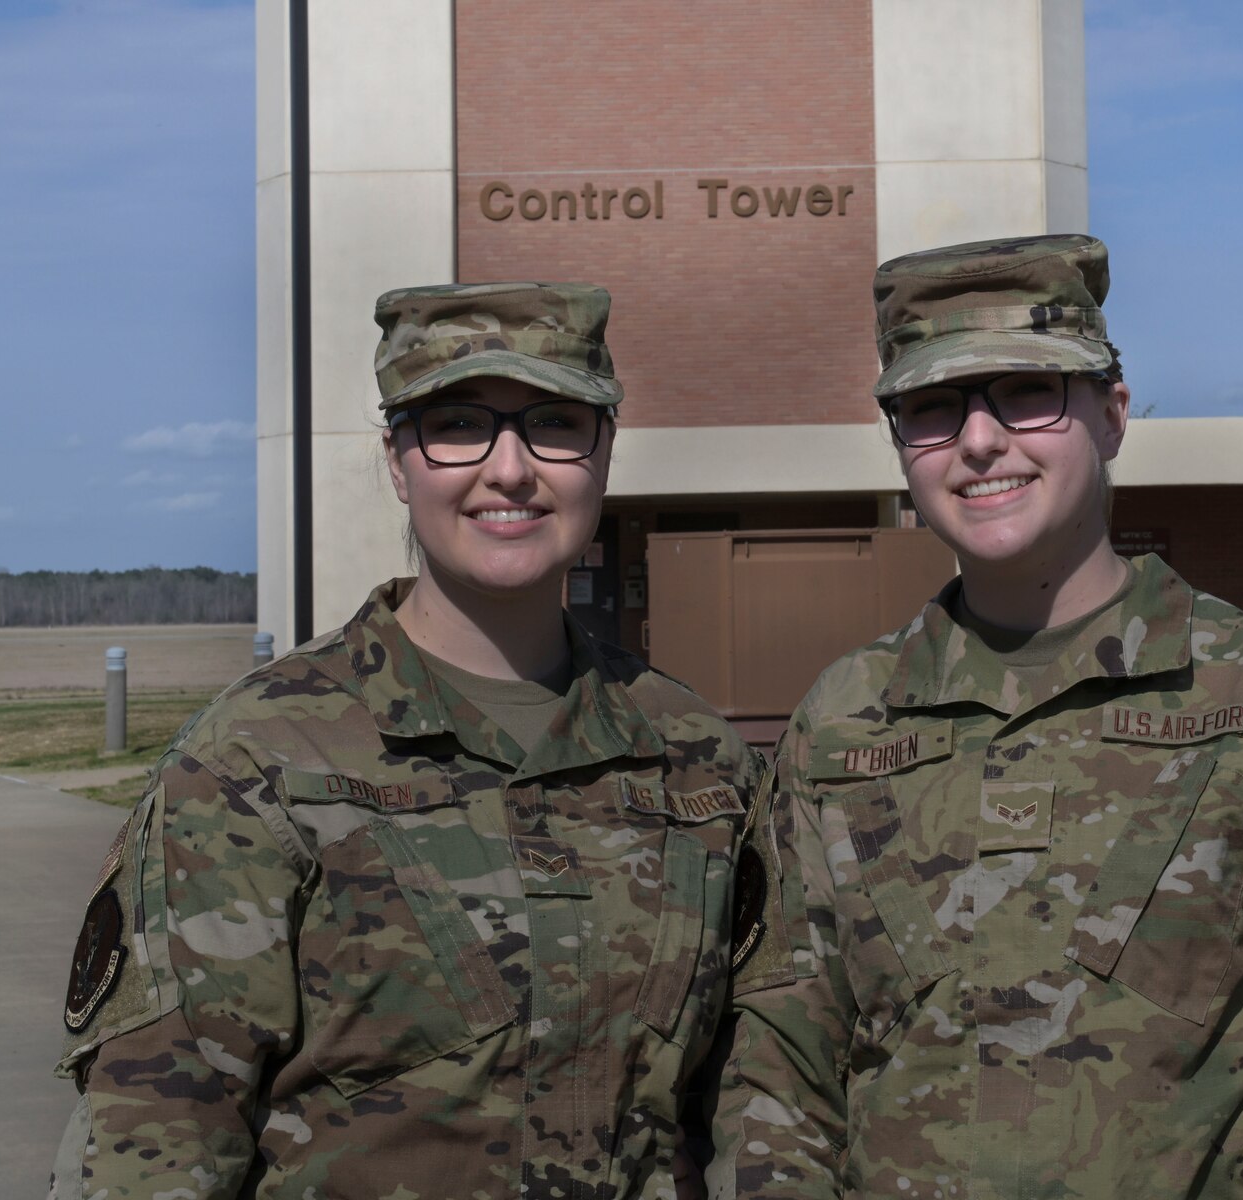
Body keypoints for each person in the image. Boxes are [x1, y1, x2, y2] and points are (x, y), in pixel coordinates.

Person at [705, 235, 1243, 1198]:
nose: (980, 441)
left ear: (1111, 414)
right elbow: (775, 1064)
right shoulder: (841, 727)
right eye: (933, 408)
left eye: (1027, 392)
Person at [50, 282, 760, 1199]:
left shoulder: (695, 757)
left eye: (555, 424)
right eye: (458, 424)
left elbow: (754, 1099)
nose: (509, 469)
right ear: (398, 461)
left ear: (604, 455)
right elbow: (159, 1139)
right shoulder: (257, 761)